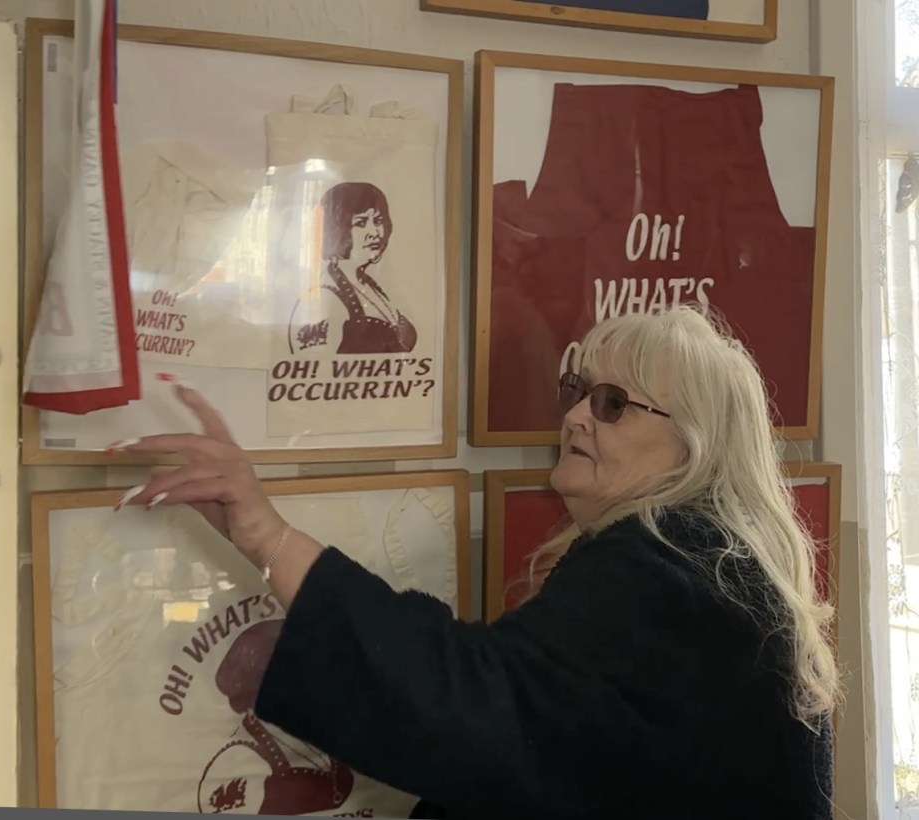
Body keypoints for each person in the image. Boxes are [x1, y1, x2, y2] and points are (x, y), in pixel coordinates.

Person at [112, 305, 840, 819]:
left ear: (694, 445)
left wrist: (266, 535)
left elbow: (468, 703)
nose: (576, 415)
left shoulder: (667, 573)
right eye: (578, 391)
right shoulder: (716, 569)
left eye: (614, 402)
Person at [285, 180, 418, 356]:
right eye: (361, 223)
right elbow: (312, 372)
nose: (375, 232)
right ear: (337, 229)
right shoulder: (323, 297)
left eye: (378, 221)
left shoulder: (370, 286)